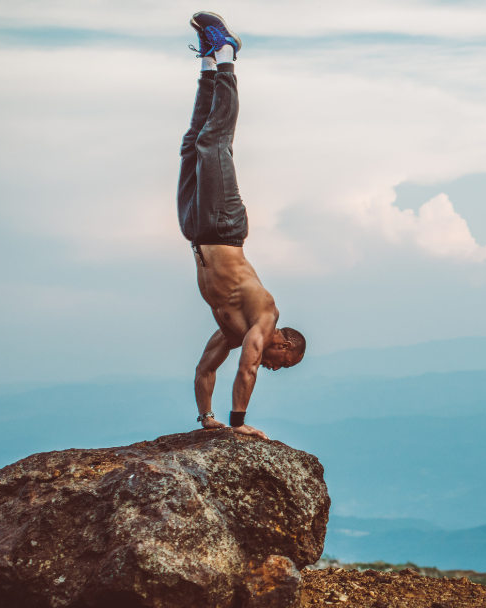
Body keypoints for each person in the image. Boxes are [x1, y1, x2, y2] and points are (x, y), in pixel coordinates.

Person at [177, 11, 305, 440]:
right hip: (223, 226)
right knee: (215, 144)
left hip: (197, 232)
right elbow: (248, 365)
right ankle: (229, 52)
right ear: (284, 344)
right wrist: (237, 424)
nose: (272, 367)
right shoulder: (265, 317)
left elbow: (204, 369)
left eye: (275, 366)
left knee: (193, 145)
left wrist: (207, 419)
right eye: (280, 363)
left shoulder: (231, 330)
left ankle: (209, 63)